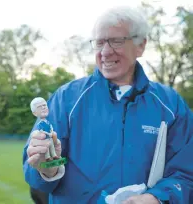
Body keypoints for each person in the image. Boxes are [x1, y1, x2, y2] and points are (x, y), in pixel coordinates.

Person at [23, 6, 193, 204]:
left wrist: (156, 198)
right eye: (100, 42)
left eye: (116, 41)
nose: (105, 52)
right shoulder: (67, 99)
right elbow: (38, 173)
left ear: (141, 45)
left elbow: (186, 173)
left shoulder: (170, 105)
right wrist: (47, 169)